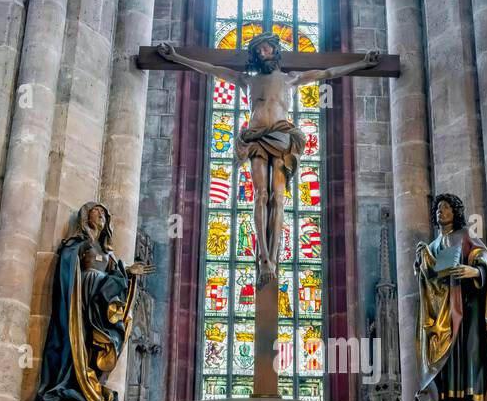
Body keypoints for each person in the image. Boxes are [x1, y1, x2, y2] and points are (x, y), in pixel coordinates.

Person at [157, 36, 378, 282]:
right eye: (259, 49)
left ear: (275, 50)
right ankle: (262, 255)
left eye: (267, 47)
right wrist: (176, 57)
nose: (263, 51)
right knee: (260, 195)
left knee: (278, 198)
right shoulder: (247, 80)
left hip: (283, 137)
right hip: (256, 139)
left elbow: (326, 72)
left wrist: (362, 63)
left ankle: (273, 257)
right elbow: (211, 69)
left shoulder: (289, 78)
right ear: (256, 55)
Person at [34, 202, 143, 401]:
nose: (101, 216)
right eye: (97, 212)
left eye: (104, 214)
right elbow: (68, 262)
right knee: (79, 338)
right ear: (86, 217)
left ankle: (91, 381)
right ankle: (74, 379)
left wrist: (129, 272)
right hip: (83, 299)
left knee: (106, 340)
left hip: (102, 302)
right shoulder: (81, 243)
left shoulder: (108, 253)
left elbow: (118, 274)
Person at [412, 193, 487, 401]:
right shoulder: (432, 246)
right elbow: (429, 281)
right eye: (438, 209)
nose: (440, 212)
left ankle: (466, 394)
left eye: (445, 208)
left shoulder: (464, 236)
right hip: (441, 310)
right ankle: (435, 397)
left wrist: (475, 271)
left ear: (455, 212)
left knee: (467, 348)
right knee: (440, 353)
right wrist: (421, 263)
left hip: (464, 306)